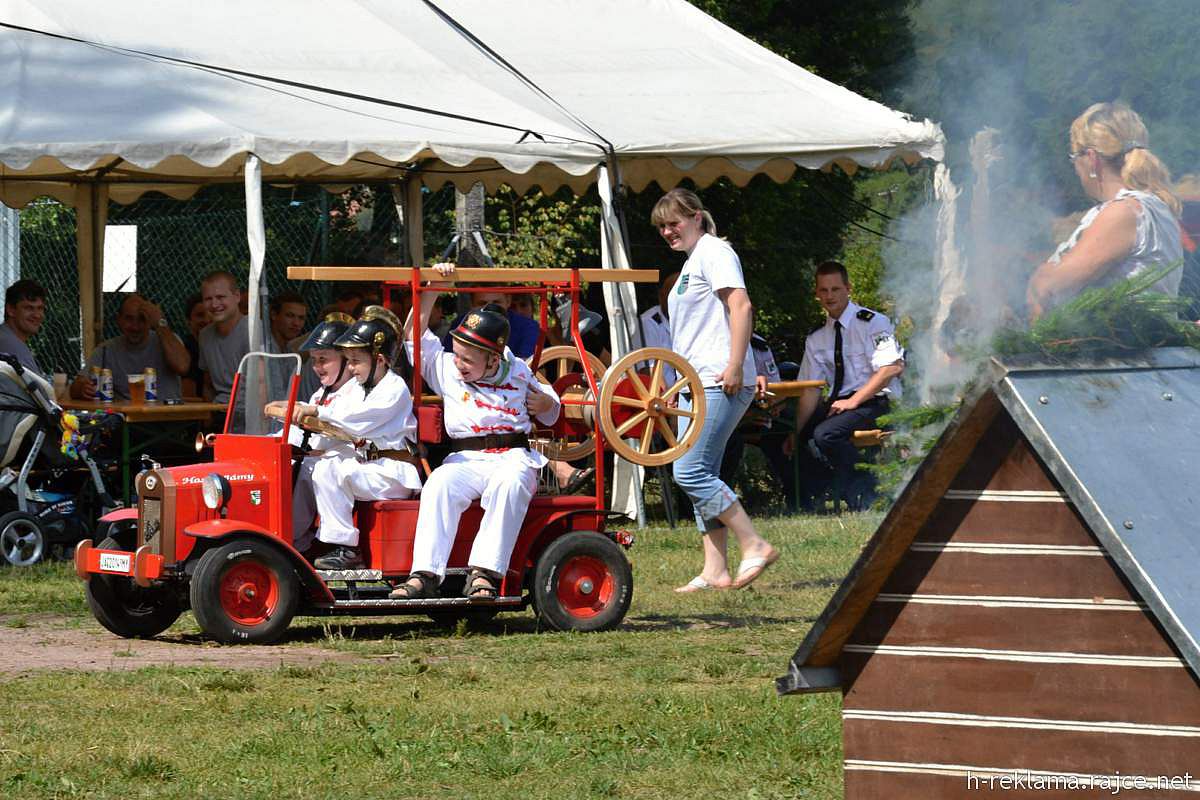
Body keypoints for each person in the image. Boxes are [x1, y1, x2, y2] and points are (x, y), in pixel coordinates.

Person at [390, 265, 561, 600]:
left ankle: (484, 573)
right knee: (439, 483)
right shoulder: (447, 369)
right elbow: (413, 336)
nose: (459, 363)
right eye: (457, 354)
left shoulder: (519, 370)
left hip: (512, 456)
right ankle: (424, 574)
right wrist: (433, 286)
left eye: (468, 359)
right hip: (466, 458)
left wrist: (545, 403)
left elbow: (551, 408)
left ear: (494, 359)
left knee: (510, 483)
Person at [651, 188, 779, 593]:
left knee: (690, 472)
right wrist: (676, 384)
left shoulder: (715, 252)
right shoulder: (693, 262)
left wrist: (736, 364)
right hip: (695, 383)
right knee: (701, 473)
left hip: (720, 381)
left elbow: (741, 307)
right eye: (662, 227)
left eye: (674, 223)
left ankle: (754, 543)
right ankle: (715, 569)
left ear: (696, 217)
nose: (668, 232)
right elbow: (690, 334)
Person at [293, 306, 422, 570]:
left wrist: (315, 411)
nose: (350, 368)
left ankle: (347, 549)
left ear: (380, 360)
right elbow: (338, 417)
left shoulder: (394, 388)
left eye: (355, 361)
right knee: (318, 466)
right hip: (372, 467)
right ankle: (305, 541)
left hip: (393, 473)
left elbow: (356, 420)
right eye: (349, 360)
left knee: (330, 468)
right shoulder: (362, 387)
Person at [1027, 102, 1183, 318]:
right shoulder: (1148, 206)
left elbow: (1051, 286)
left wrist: (1039, 276)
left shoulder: (1123, 212)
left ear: (1091, 159)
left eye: (1074, 158)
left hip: (1120, 340)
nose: (1075, 168)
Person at [795, 261, 905, 508]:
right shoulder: (816, 337)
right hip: (841, 405)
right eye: (823, 290)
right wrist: (796, 431)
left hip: (874, 402)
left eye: (835, 289)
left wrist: (853, 401)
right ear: (817, 293)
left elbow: (892, 368)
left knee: (826, 435)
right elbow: (811, 389)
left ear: (848, 289)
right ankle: (827, 489)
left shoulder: (873, 323)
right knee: (796, 438)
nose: (829, 296)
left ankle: (868, 489)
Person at [265, 312, 356, 554]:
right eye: (314, 360)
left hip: (347, 459)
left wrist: (302, 413)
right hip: (323, 454)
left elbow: (335, 425)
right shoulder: (323, 393)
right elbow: (305, 425)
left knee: (307, 469)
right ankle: (275, 532)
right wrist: (270, 442)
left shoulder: (356, 392)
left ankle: (290, 539)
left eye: (323, 360)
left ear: (346, 359)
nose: (316, 367)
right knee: (277, 459)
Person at [69, 293, 189, 401]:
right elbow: (75, 387)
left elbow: (182, 366)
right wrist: (82, 388)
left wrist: (160, 323)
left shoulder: (168, 340)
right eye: (129, 319)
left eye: (142, 319)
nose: (135, 327)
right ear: (119, 320)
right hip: (125, 417)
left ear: (150, 321)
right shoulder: (106, 350)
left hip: (167, 416)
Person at [442, 287, 540, 359]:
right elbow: (448, 358)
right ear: (472, 305)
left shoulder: (528, 326)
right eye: (482, 303)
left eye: (496, 302)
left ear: (508, 301)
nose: (490, 308)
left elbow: (526, 363)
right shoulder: (460, 323)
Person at [197, 271, 249, 405]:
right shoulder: (205, 335)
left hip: (251, 412)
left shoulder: (253, 330)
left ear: (237, 296)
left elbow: (264, 385)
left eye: (220, 297)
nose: (214, 304)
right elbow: (207, 384)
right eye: (208, 299)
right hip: (218, 409)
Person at [0, 279, 47, 375]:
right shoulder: (11, 345)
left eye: (40, 308)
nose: (37, 315)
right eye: (29, 308)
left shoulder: (5, 335)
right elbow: (36, 385)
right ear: (10, 310)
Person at [181, 293, 210, 398]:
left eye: (210, 314)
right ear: (188, 321)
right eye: (200, 315)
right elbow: (189, 396)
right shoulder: (186, 348)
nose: (206, 320)